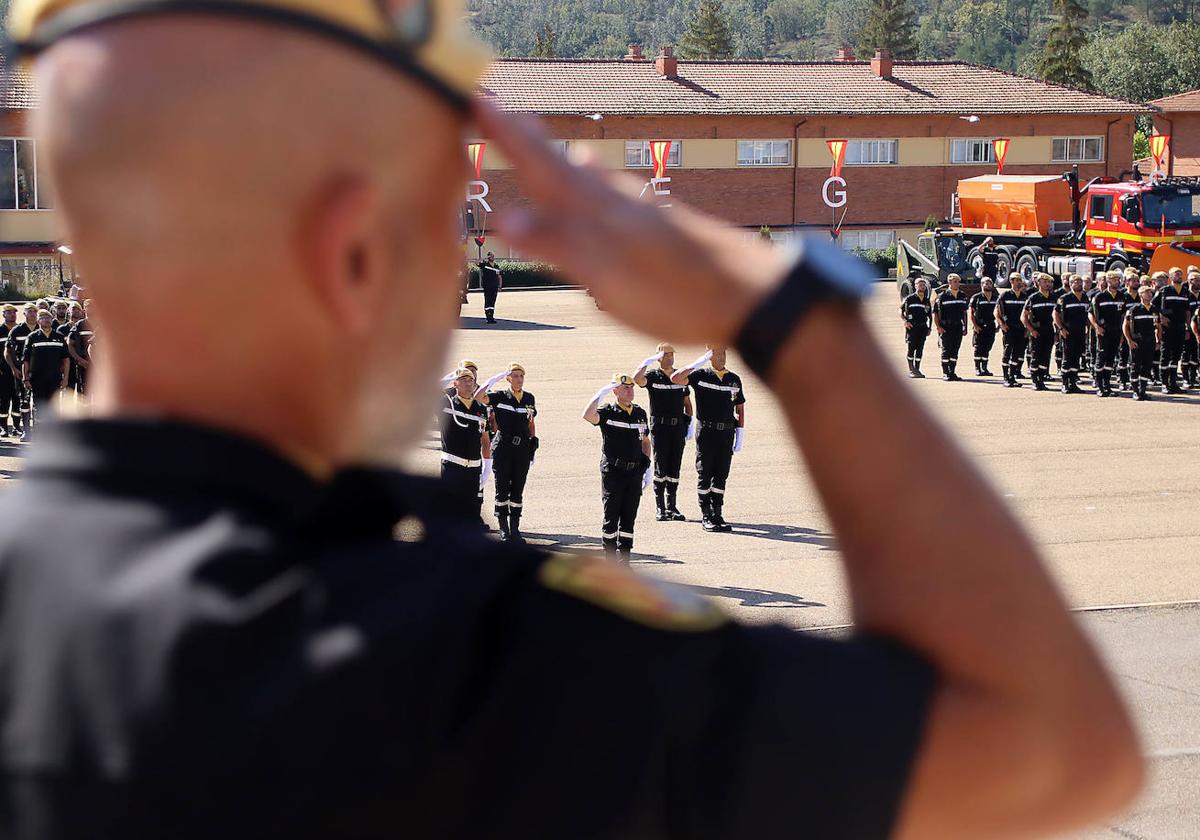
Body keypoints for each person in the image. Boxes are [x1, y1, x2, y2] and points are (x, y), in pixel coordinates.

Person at [0, 2, 1142, 838]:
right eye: (448, 234)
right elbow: (1054, 751)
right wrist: (797, 317)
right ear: (353, 252)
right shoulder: (469, 665)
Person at [672, 345, 745, 533]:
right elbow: (676, 378)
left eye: (724, 353)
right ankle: (706, 514)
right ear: (709, 355)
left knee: (721, 473)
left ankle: (717, 513)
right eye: (718, 353)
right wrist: (700, 361)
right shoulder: (700, 375)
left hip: (727, 433)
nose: (722, 357)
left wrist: (740, 433)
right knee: (705, 472)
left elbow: (740, 407)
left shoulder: (733, 379)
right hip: (707, 432)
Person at [583, 374, 650, 559]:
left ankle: (625, 559)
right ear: (615, 391)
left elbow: (645, 440)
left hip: (634, 472)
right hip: (613, 471)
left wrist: (648, 467)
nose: (630, 391)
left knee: (629, 516)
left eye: (631, 388)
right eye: (625, 388)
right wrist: (600, 394)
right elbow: (588, 415)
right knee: (612, 516)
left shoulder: (639, 413)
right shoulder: (608, 412)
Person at [633, 343, 693, 520]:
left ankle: (672, 506)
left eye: (671, 355)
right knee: (661, 465)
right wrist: (646, 362)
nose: (670, 358)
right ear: (658, 358)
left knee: (675, 466)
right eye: (666, 355)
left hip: (677, 427)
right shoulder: (653, 376)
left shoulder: (679, 376)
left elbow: (688, 404)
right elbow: (637, 379)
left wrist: (688, 423)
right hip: (660, 427)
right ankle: (660, 507)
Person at [482, 363, 537, 542]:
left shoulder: (529, 398)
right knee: (502, 489)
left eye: (521, 376)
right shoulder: (499, 397)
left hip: (521, 449)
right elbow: (478, 396)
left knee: (518, 490)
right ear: (508, 378)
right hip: (503, 447)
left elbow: (530, 423)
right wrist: (495, 378)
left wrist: (532, 446)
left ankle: (515, 529)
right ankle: (504, 529)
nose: (518, 379)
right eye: (514, 376)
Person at [439, 367, 490, 520]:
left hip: (474, 468)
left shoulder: (481, 409)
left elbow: (485, 439)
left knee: (471, 510)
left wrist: (487, 466)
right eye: (464, 379)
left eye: (471, 380)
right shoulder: (446, 404)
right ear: (455, 384)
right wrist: (450, 376)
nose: (469, 383)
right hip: (452, 466)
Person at [21, 308, 70, 430]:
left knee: (54, 405)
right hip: (37, 378)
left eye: (48, 317)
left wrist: (66, 379)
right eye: (42, 318)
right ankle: (40, 431)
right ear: (38, 321)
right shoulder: (32, 337)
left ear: (52, 320)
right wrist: (25, 378)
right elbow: (25, 360)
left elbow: (66, 360)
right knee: (39, 405)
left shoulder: (59, 336)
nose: (46, 320)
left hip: (54, 378)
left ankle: (52, 431)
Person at [1154, 267, 1191, 394]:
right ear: (1170, 277)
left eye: (1180, 274)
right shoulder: (1165, 291)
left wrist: (1187, 327)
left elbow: (1187, 311)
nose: (1179, 276)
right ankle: (1164, 383)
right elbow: (1153, 305)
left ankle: (1173, 383)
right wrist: (1160, 317)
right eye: (1176, 274)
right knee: (1165, 355)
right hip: (1167, 328)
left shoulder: (1185, 292)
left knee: (1176, 356)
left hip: (1180, 327)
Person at [1089, 272, 1124, 398]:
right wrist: (1097, 327)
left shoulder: (1121, 296)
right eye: (1114, 280)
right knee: (1101, 358)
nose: (1117, 282)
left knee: (1111, 359)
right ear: (1108, 281)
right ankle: (1099, 386)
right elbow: (1091, 313)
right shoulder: (1099, 297)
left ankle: (1107, 385)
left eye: (1118, 280)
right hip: (1104, 332)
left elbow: (1124, 315)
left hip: (1116, 332)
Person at [4, 304, 38, 436]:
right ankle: (26, 431)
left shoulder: (42, 329)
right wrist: (13, 368)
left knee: (38, 402)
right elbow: (7, 351)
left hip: (39, 371)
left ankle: (38, 430)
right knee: (24, 402)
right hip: (21, 372)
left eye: (35, 312)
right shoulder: (16, 330)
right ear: (24, 314)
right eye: (30, 311)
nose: (33, 314)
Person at [1053, 274, 1090, 394]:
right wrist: (1061, 328)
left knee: (1076, 358)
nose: (1079, 284)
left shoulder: (1085, 297)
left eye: (1080, 282)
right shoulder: (1064, 298)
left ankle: (1073, 383)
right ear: (1070, 283)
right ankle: (1065, 384)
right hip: (1068, 333)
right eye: (1076, 282)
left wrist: (1088, 328)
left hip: (1080, 333)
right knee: (1067, 358)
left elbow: (1088, 314)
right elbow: (1055, 314)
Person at [1124, 284, 1161, 401]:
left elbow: (1158, 326)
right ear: (1141, 295)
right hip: (1137, 342)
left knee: (1147, 366)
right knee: (1135, 366)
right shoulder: (1134, 309)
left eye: (1151, 293)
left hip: (1150, 342)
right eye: (1147, 292)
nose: (1150, 294)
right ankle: (1135, 391)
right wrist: (1129, 340)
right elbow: (1125, 326)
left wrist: (1158, 341)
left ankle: (1143, 390)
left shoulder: (1154, 309)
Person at [1023, 273, 1058, 391]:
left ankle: (1041, 379)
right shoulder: (1033, 298)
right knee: (1036, 356)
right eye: (1045, 282)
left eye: (1049, 282)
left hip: (1048, 330)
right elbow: (1023, 317)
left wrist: (1057, 332)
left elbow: (1058, 316)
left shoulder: (1054, 298)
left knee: (1045, 356)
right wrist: (1031, 330)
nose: (1048, 284)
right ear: (1038, 283)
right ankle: (1035, 381)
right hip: (1037, 331)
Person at [932, 272, 968, 381]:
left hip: (958, 327)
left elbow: (964, 313)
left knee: (955, 350)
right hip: (946, 327)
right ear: (949, 282)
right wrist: (938, 327)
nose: (957, 284)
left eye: (958, 282)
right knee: (946, 350)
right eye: (955, 282)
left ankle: (952, 372)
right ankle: (945, 372)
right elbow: (936, 313)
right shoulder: (942, 296)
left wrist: (965, 327)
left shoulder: (962, 295)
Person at [995, 273, 1029, 387]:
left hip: (1021, 330)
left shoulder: (1025, 296)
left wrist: (1027, 328)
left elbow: (1028, 314)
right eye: (1017, 280)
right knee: (1008, 351)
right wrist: (1002, 324)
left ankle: (1012, 376)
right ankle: (1006, 377)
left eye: (1020, 280)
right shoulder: (1005, 295)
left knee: (1018, 353)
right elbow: (997, 312)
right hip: (1009, 329)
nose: (1019, 282)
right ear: (1012, 281)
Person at [900, 278, 932, 379]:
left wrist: (929, 328)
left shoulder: (926, 300)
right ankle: (911, 369)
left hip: (922, 328)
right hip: (912, 327)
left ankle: (917, 369)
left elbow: (930, 315)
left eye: (923, 285)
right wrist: (905, 321)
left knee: (920, 349)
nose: (922, 287)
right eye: (920, 285)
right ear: (915, 286)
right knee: (911, 348)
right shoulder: (909, 298)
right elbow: (900, 311)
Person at [968, 276, 998, 376]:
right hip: (980, 325)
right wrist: (975, 326)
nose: (988, 285)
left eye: (990, 283)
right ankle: (977, 368)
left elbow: (1000, 312)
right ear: (982, 285)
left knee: (987, 347)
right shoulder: (976, 297)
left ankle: (984, 368)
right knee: (978, 347)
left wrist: (998, 325)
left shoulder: (995, 297)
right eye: (986, 283)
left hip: (991, 325)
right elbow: (971, 313)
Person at [1117, 271, 1142, 390]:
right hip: (1125, 330)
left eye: (1137, 281)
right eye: (1134, 281)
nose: (1137, 283)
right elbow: (1119, 315)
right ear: (1127, 282)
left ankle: (1134, 381)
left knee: (1135, 358)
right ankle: (1122, 381)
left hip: (1138, 331)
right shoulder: (1122, 296)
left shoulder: (1140, 297)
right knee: (1123, 356)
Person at [66, 299, 94, 397]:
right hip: (84, 366)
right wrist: (80, 360)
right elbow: (69, 344)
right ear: (84, 310)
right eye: (88, 306)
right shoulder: (79, 325)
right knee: (84, 396)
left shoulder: (101, 324)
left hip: (99, 366)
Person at [0, 305, 19, 436]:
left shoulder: (20, 329)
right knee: (3, 399)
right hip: (3, 371)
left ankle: (17, 426)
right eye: (9, 313)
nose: (12, 315)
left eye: (14, 312)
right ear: (3, 315)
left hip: (18, 370)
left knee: (17, 398)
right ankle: (3, 427)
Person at [1186, 268, 1200, 387]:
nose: (1198, 283)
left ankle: (1194, 377)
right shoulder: (1186, 295)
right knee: (1187, 354)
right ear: (1190, 281)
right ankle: (1186, 379)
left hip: (1199, 330)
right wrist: (1187, 328)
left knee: (1196, 355)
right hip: (1188, 330)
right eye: (1196, 280)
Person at [480, 250, 502, 324]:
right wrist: (481, 259)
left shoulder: (496, 266)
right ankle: (488, 318)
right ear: (488, 257)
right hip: (487, 287)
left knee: (492, 303)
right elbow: (477, 263)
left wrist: (500, 286)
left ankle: (491, 317)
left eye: (493, 256)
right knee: (487, 302)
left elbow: (499, 276)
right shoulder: (485, 265)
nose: (492, 257)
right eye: (491, 256)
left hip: (494, 287)